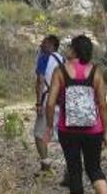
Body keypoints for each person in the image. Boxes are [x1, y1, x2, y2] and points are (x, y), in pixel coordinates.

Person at [45, 35, 107, 194]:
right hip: (94, 130)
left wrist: (49, 126)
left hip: (68, 131)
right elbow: (102, 105)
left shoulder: (60, 71)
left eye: (70, 47)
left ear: (75, 50)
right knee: (94, 169)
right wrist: (105, 132)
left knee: (74, 172)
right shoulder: (95, 71)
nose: (67, 49)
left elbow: (51, 103)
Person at [32, 35, 65, 177]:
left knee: (39, 134)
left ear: (51, 44)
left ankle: (46, 167)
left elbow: (40, 81)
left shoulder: (44, 58)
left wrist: (38, 103)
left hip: (47, 102)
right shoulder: (63, 60)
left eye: (44, 42)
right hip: (61, 102)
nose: (41, 44)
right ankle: (70, 167)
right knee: (64, 135)